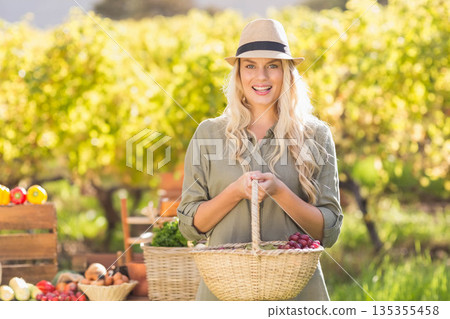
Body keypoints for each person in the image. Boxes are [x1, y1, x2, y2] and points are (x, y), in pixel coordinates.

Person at [177, 19, 343, 301]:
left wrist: (279, 191)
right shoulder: (209, 133)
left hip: (297, 295)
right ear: (239, 73)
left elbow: (328, 230)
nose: (261, 77)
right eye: (250, 65)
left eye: (273, 65)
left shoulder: (316, 134)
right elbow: (190, 226)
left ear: (287, 72)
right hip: (223, 294)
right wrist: (235, 192)